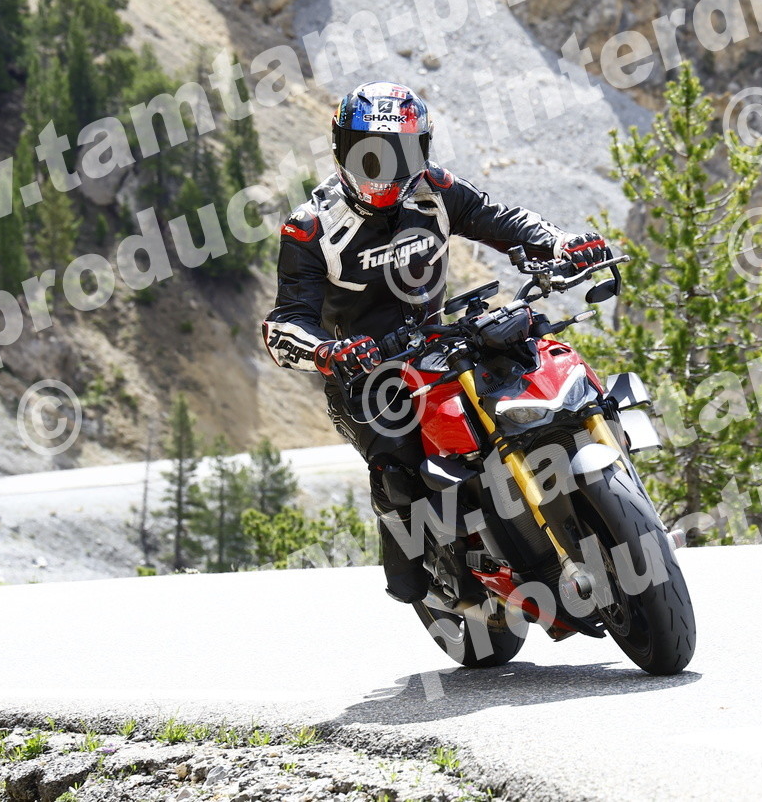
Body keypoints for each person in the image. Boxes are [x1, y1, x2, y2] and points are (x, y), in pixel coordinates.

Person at [261, 81, 612, 602]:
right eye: (368, 154)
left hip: (441, 343)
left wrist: (559, 243)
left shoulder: (436, 190)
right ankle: (429, 577)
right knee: (399, 474)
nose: (383, 169)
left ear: (421, 150)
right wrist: (328, 352)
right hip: (367, 376)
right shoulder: (311, 228)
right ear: (340, 150)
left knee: (534, 368)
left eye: (399, 154)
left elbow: (500, 219)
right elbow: (284, 323)